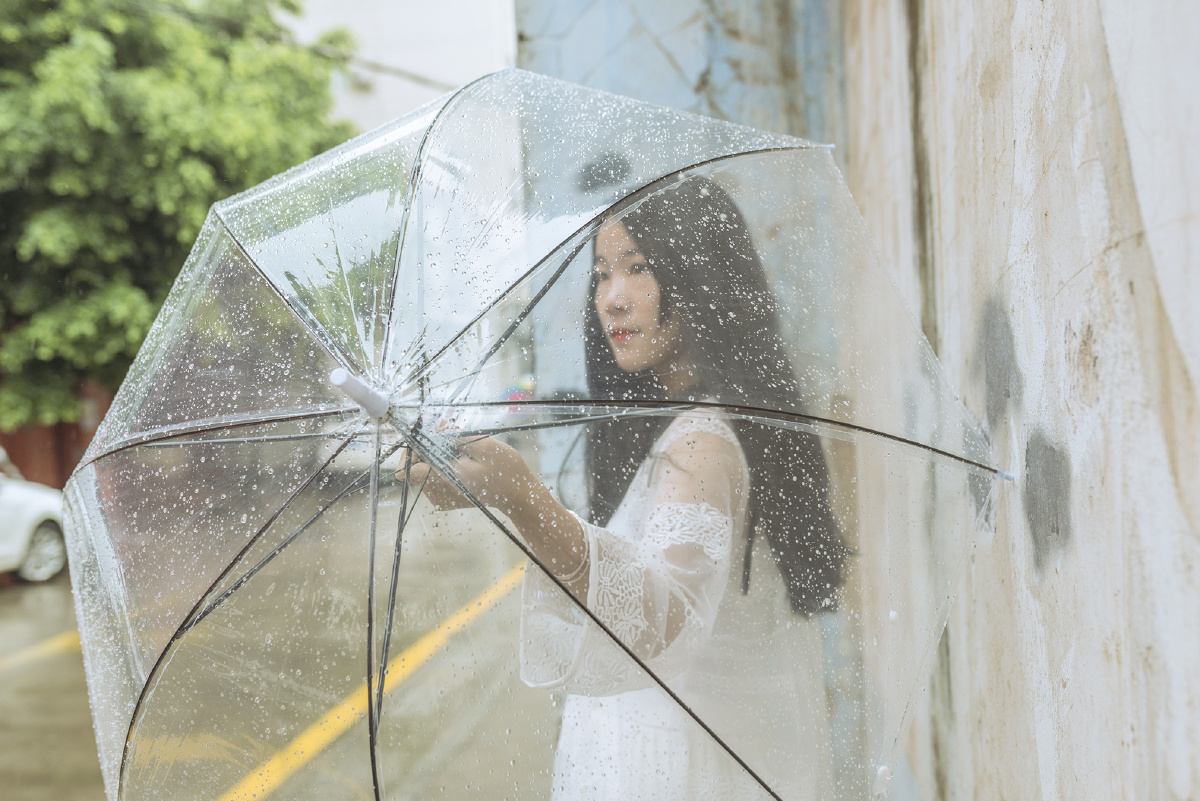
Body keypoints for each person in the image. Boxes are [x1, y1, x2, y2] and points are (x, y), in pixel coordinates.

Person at [403, 176, 847, 800]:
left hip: (679, 769)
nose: (611, 299)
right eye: (601, 275)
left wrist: (524, 501)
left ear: (700, 277)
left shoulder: (702, 444)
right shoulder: (706, 423)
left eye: (637, 269)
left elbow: (665, 620)